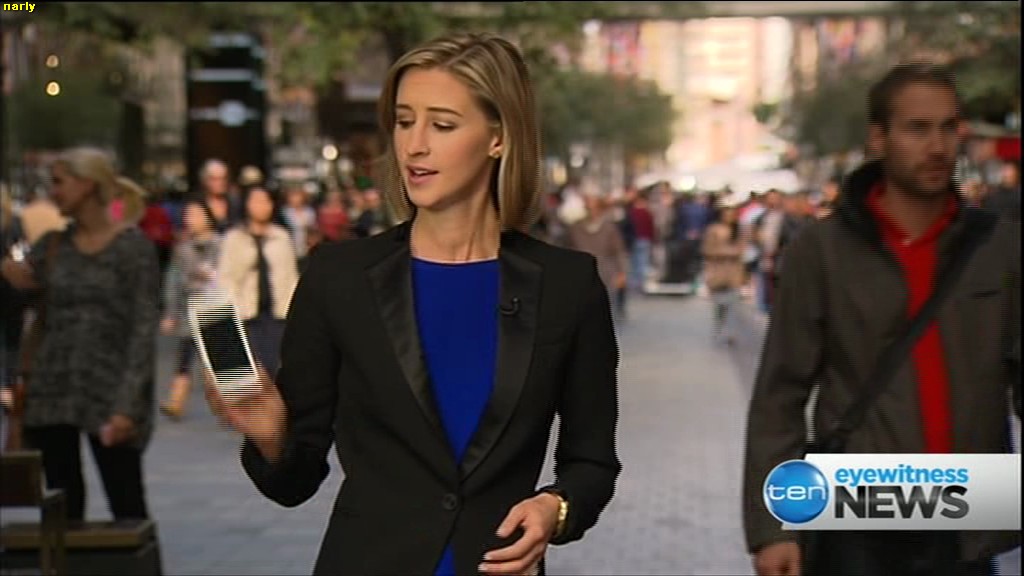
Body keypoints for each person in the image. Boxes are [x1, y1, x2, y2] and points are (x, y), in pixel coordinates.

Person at [205, 32, 621, 576]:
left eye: (442, 125)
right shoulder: (339, 277)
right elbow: (295, 483)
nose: (414, 145)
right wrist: (272, 436)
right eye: (404, 122)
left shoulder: (568, 285)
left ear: (498, 137)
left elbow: (592, 462)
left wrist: (555, 508)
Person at [743, 63, 1020, 576]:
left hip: (969, 514)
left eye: (948, 128)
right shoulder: (822, 251)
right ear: (878, 138)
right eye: (918, 129)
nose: (937, 146)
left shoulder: (999, 247)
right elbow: (780, 397)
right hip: (859, 518)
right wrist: (774, 528)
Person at [0, 147, 160, 521]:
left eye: (59, 182)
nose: (52, 192)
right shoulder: (53, 245)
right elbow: (19, 305)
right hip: (51, 391)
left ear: (87, 184)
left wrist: (127, 406)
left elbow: (142, 332)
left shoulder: (133, 249)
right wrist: (8, 273)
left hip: (109, 391)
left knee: (127, 502)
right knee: (61, 506)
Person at [217, 186, 299, 377]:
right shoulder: (234, 238)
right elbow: (226, 278)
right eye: (256, 201)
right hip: (245, 314)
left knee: (275, 369)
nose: (261, 206)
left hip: (278, 314)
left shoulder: (282, 236)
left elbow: (291, 276)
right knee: (249, 374)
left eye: (265, 201)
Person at [159, 200, 222, 420]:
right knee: (185, 356)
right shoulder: (183, 248)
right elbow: (173, 282)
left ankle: (225, 407)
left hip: (217, 306)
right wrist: (170, 313)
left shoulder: (223, 244)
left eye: (195, 214)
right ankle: (176, 402)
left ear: (208, 217)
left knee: (217, 360)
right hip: (190, 308)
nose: (190, 219)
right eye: (187, 215)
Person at [700, 205, 744, 346]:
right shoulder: (714, 230)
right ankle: (720, 328)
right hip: (718, 271)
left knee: (733, 304)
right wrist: (727, 252)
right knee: (719, 304)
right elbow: (707, 249)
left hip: (734, 272)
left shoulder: (739, 230)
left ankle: (730, 332)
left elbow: (742, 249)